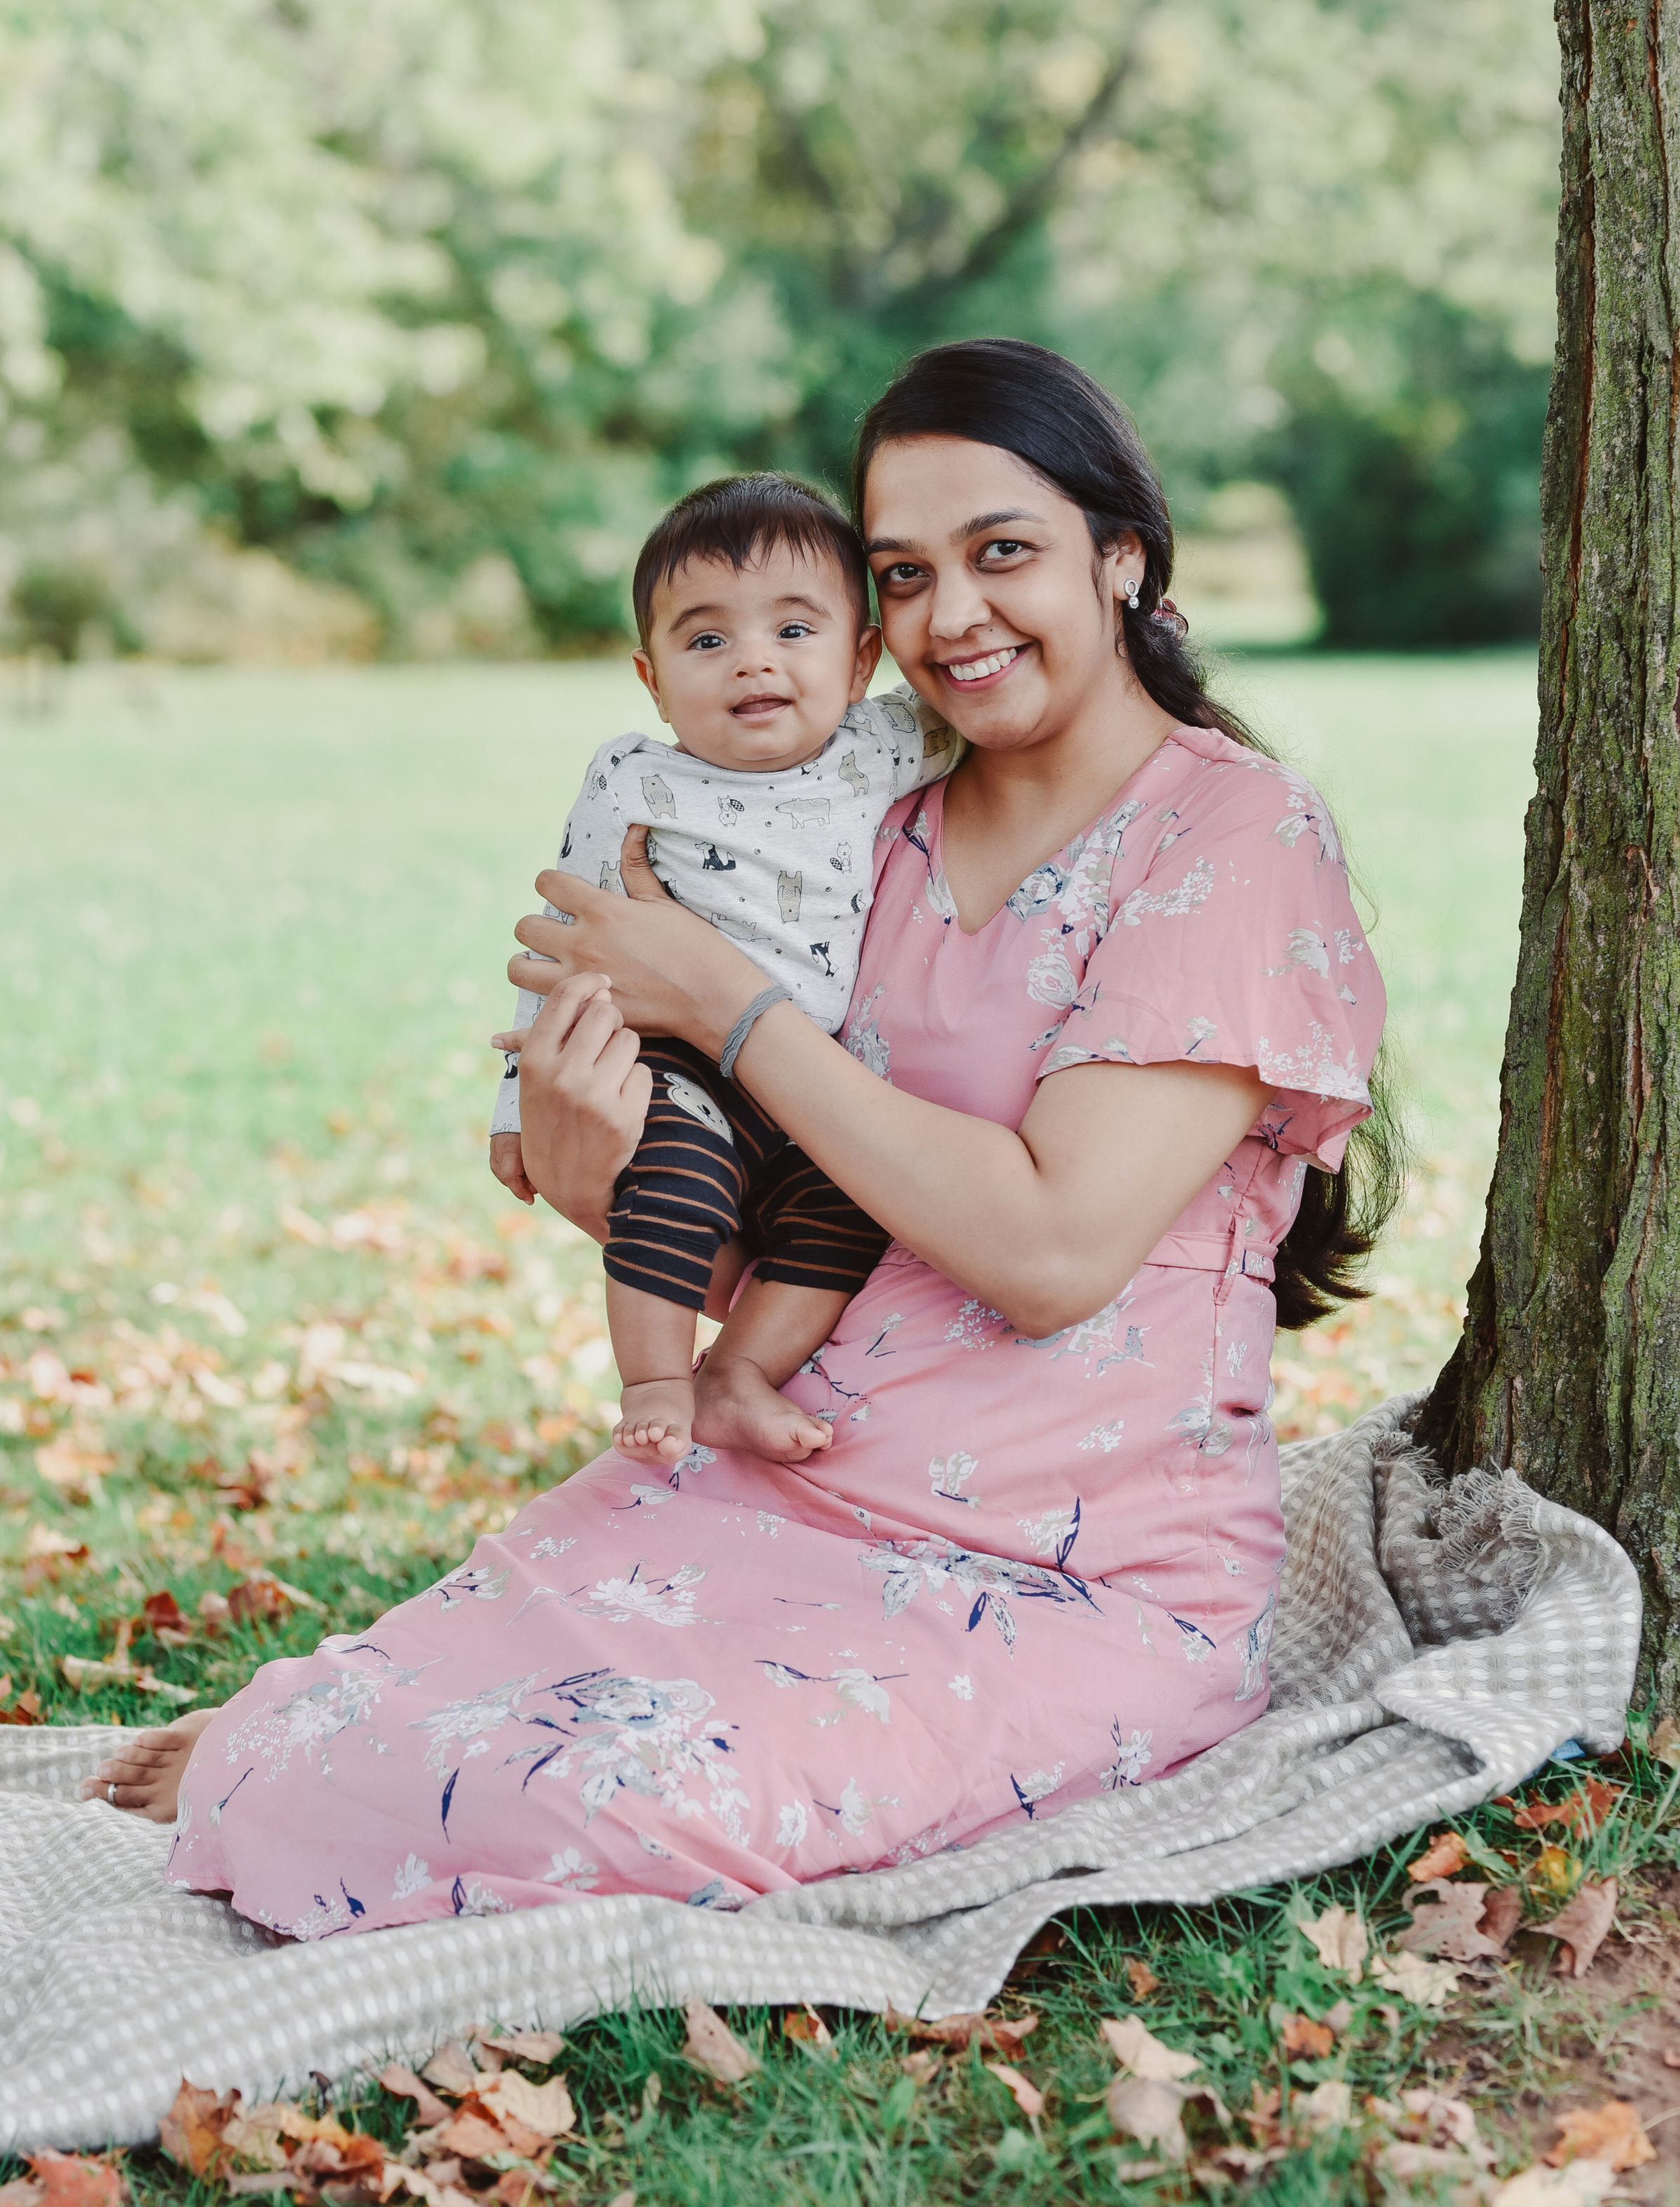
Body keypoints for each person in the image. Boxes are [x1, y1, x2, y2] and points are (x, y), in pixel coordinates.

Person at [83, 339, 1396, 1949]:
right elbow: (822, 1238)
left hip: (1067, 1574)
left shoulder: (1229, 835)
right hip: (779, 1480)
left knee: (580, 1796)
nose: (950, 618)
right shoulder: (868, 832)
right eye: (902, 575)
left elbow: (1049, 1255)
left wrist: (717, 997)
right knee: (337, 1751)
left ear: (1118, 557)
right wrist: (590, 1169)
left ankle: (394, 1748)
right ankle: (326, 1732)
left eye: (1002, 554)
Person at [488, 472, 955, 1466]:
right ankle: (658, 1377)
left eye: (795, 632)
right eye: (706, 640)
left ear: (863, 656)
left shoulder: (881, 745)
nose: (754, 662)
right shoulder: (636, 776)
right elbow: (558, 934)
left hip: (807, 1072)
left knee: (854, 1207)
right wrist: (516, 1104)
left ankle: (739, 1369)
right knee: (677, 1176)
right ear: (651, 677)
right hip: (674, 1058)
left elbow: (1015, 705)